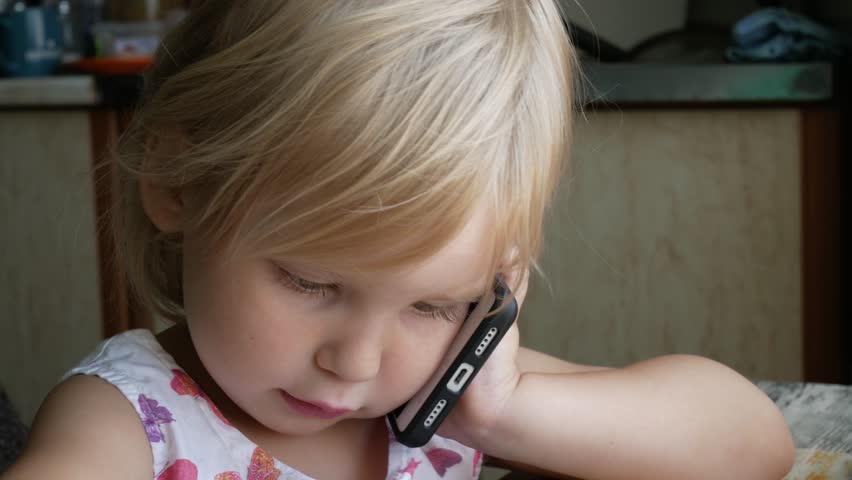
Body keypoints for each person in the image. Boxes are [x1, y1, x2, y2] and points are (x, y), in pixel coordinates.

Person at [3, 1, 795, 479]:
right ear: (177, 184)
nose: (356, 362)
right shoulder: (129, 419)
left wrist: (501, 416)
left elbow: (753, 446)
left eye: (433, 304)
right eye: (311, 283)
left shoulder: (439, 399)